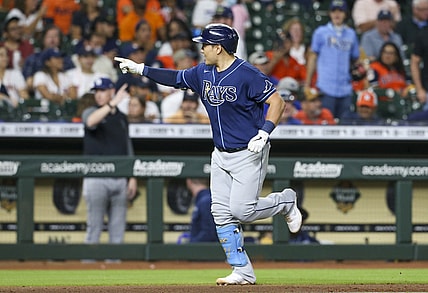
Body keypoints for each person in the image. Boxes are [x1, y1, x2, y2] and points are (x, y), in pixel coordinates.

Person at [115, 23, 302, 285]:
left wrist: (265, 132)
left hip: (249, 150)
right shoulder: (203, 71)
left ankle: (285, 202)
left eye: (205, 44)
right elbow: (176, 78)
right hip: (220, 153)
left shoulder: (247, 73)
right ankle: (243, 271)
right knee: (221, 212)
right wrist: (141, 69)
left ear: (218, 47)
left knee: (243, 210)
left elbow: (277, 101)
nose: (201, 48)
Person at [81, 77, 137, 245]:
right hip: (96, 177)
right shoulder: (89, 111)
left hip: (119, 177)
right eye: (97, 91)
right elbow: (91, 122)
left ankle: (115, 267)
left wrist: (132, 176)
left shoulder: (121, 118)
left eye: (102, 91)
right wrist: (112, 103)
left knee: (118, 232)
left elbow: (128, 147)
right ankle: (88, 267)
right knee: (94, 229)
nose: (98, 95)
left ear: (111, 91)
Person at [304, 0, 360, 120]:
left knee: (345, 127)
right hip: (326, 87)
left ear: (345, 14)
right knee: (326, 125)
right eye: (334, 11)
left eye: (340, 11)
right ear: (330, 13)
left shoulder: (351, 34)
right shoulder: (321, 32)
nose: (337, 14)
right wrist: (307, 84)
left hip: (345, 88)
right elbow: (313, 57)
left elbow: (355, 59)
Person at [185, 177, 218, 243]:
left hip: (208, 251)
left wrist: (190, 245)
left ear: (188, 181)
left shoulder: (205, 201)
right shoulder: (204, 199)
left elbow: (209, 233)